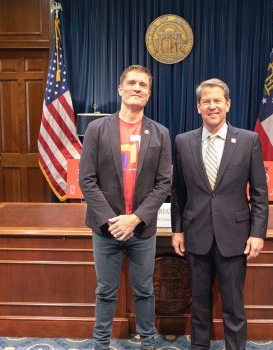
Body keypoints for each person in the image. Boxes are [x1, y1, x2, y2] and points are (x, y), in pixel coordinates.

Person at [170, 78, 269, 350]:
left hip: (235, 237)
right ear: (198, 107)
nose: (212, 106)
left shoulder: (249, 140)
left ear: (227, 104)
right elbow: (178, 192)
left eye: (217, 101)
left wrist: (258, 234)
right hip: (195, 235)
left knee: (234, 306)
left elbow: (259, 193)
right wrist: (177, 229)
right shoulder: (182, 142)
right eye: (206, 101)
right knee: (199, 304)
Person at [79, 65, 171, 350]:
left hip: (142, 229)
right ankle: (101, 344)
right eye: (131, 83)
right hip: (106, 229)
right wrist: (112, 220)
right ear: (120, 89)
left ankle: (149, 343)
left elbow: (164, 183)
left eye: (143, 85)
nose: (137, 88)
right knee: (106, 291)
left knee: (145, 291)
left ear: (149, 93)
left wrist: (135, 219)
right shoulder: (97, 129)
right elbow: (87, 180)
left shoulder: (160, 133)